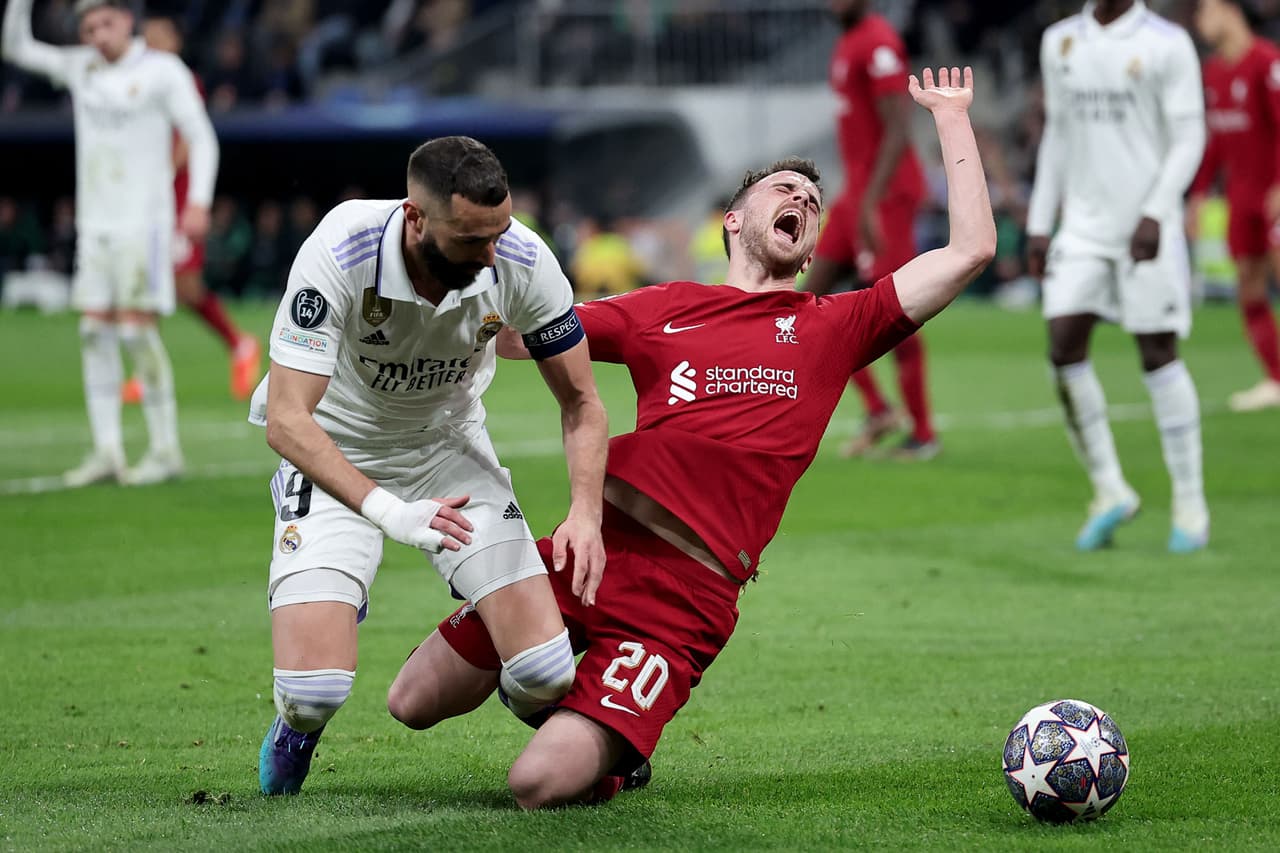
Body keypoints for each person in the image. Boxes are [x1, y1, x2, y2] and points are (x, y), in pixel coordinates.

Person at [384, 68, 994, 810]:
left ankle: (607, 748)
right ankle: (566, 693)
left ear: (806, 253)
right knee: (411, 699)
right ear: (733, 221)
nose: (801, 199)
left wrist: (952, 117)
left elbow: (968, 252)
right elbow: (523, 335)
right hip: (592, 548)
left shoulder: (834, 326)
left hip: (686, 598)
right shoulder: (662, 308)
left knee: (535, 783)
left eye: (812, 201)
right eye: (782, 190)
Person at [247, 135, 608, 796]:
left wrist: (586, 512)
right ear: (417, 219)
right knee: (313, 690)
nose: (492, 254)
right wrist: (389, 512)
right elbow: (287, 418)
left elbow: (582, 400)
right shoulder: (341, 248)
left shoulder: (522, 258)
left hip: (447, 448)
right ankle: (295, 730)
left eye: (499, 233)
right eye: (472, 240)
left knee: (546, 672)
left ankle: (498, 623)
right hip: (336, 449)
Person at [2, 0, 219, 486]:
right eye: (87, 27)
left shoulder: (163, 71)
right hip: (96, 224)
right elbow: (15, 47)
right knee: (92, 331)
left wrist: (199, 201)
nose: (97, 34)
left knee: (135, 331)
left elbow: (201, 137)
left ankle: (166, 450)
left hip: (146, 223)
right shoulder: (83, 68)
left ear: (126, 19)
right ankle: (107, 451)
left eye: (104, 22)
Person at [1026, 0, 1210, 553]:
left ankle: (1190, 502)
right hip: (1081, 228)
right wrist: (1040, 220)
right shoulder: (1060, 41)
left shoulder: (1166, 43)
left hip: (1147, 224)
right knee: (1062, 347)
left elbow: (1189, 137)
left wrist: (1157, 210)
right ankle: (1109, 490)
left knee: (1157, 351)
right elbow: (1058, 134)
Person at [802, 0, 937, 461]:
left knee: (896, 310)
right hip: (857, 196)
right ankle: (879, 410)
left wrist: (872, 201)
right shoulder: (847, 42)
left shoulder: (879, 42)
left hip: (886, 197)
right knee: (804, 304)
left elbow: (900, 130)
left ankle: (922, 434)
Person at [116, 15, 260, 405]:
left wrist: (161, 180)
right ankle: (147, 374)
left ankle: (239, 344)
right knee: (147, 285)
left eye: (161, 33)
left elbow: (187, 138)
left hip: (175, 200)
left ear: (177, 40)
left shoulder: (181, 79)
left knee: (185, 286)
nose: (153, 41)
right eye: (148, 35)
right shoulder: (139, 80)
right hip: (147, 200)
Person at [1190, 0, 1280, 411]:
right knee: (1249, 287)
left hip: (1273, 195)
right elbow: (1214, 143)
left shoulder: (1267, 62)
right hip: (1240, 201)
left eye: (1206, 10)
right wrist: (1199, 194)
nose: (1200, 21)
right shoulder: (1213, 73)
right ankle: (1275, 379)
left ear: (1230, 11)